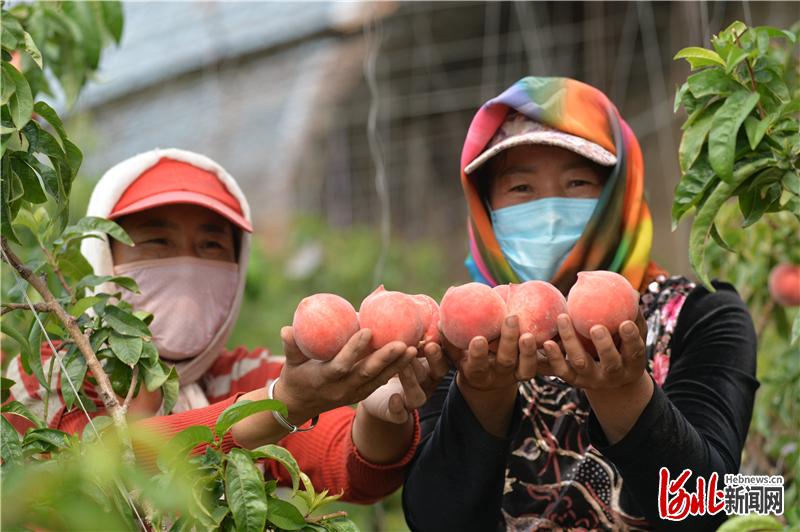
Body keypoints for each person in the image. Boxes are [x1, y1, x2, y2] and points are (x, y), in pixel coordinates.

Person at [403, 77, 758, 530]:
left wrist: (623, 391)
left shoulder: (699, 315)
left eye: (577, 182)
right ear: (485, 206)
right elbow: (433, 520)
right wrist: (481, 395)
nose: (550, 210)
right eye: (521, 188)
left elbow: (712, 506)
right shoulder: (462, 332)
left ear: (618, 194)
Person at [5, 148, 448, 503]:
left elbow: (351, 468)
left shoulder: (243, 376)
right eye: (157, 241)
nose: (187, 266)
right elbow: (93, 459)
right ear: (103, 256)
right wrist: (279, 405)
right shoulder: (52, 373)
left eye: (211, 245)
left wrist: (380, 411)